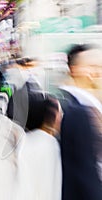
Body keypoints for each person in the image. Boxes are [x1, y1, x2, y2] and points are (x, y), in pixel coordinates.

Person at [57, 44, 102, 200]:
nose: (97, 72)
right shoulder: (77, 112)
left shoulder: (86, 107)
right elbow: (85, 173)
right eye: (92, 67)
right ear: (75, 70)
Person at [17, 94, 62, 200]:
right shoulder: (50, 144)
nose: (62, 117)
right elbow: (52, 189)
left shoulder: (23, 141)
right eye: (60, 113)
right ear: (52, 117)